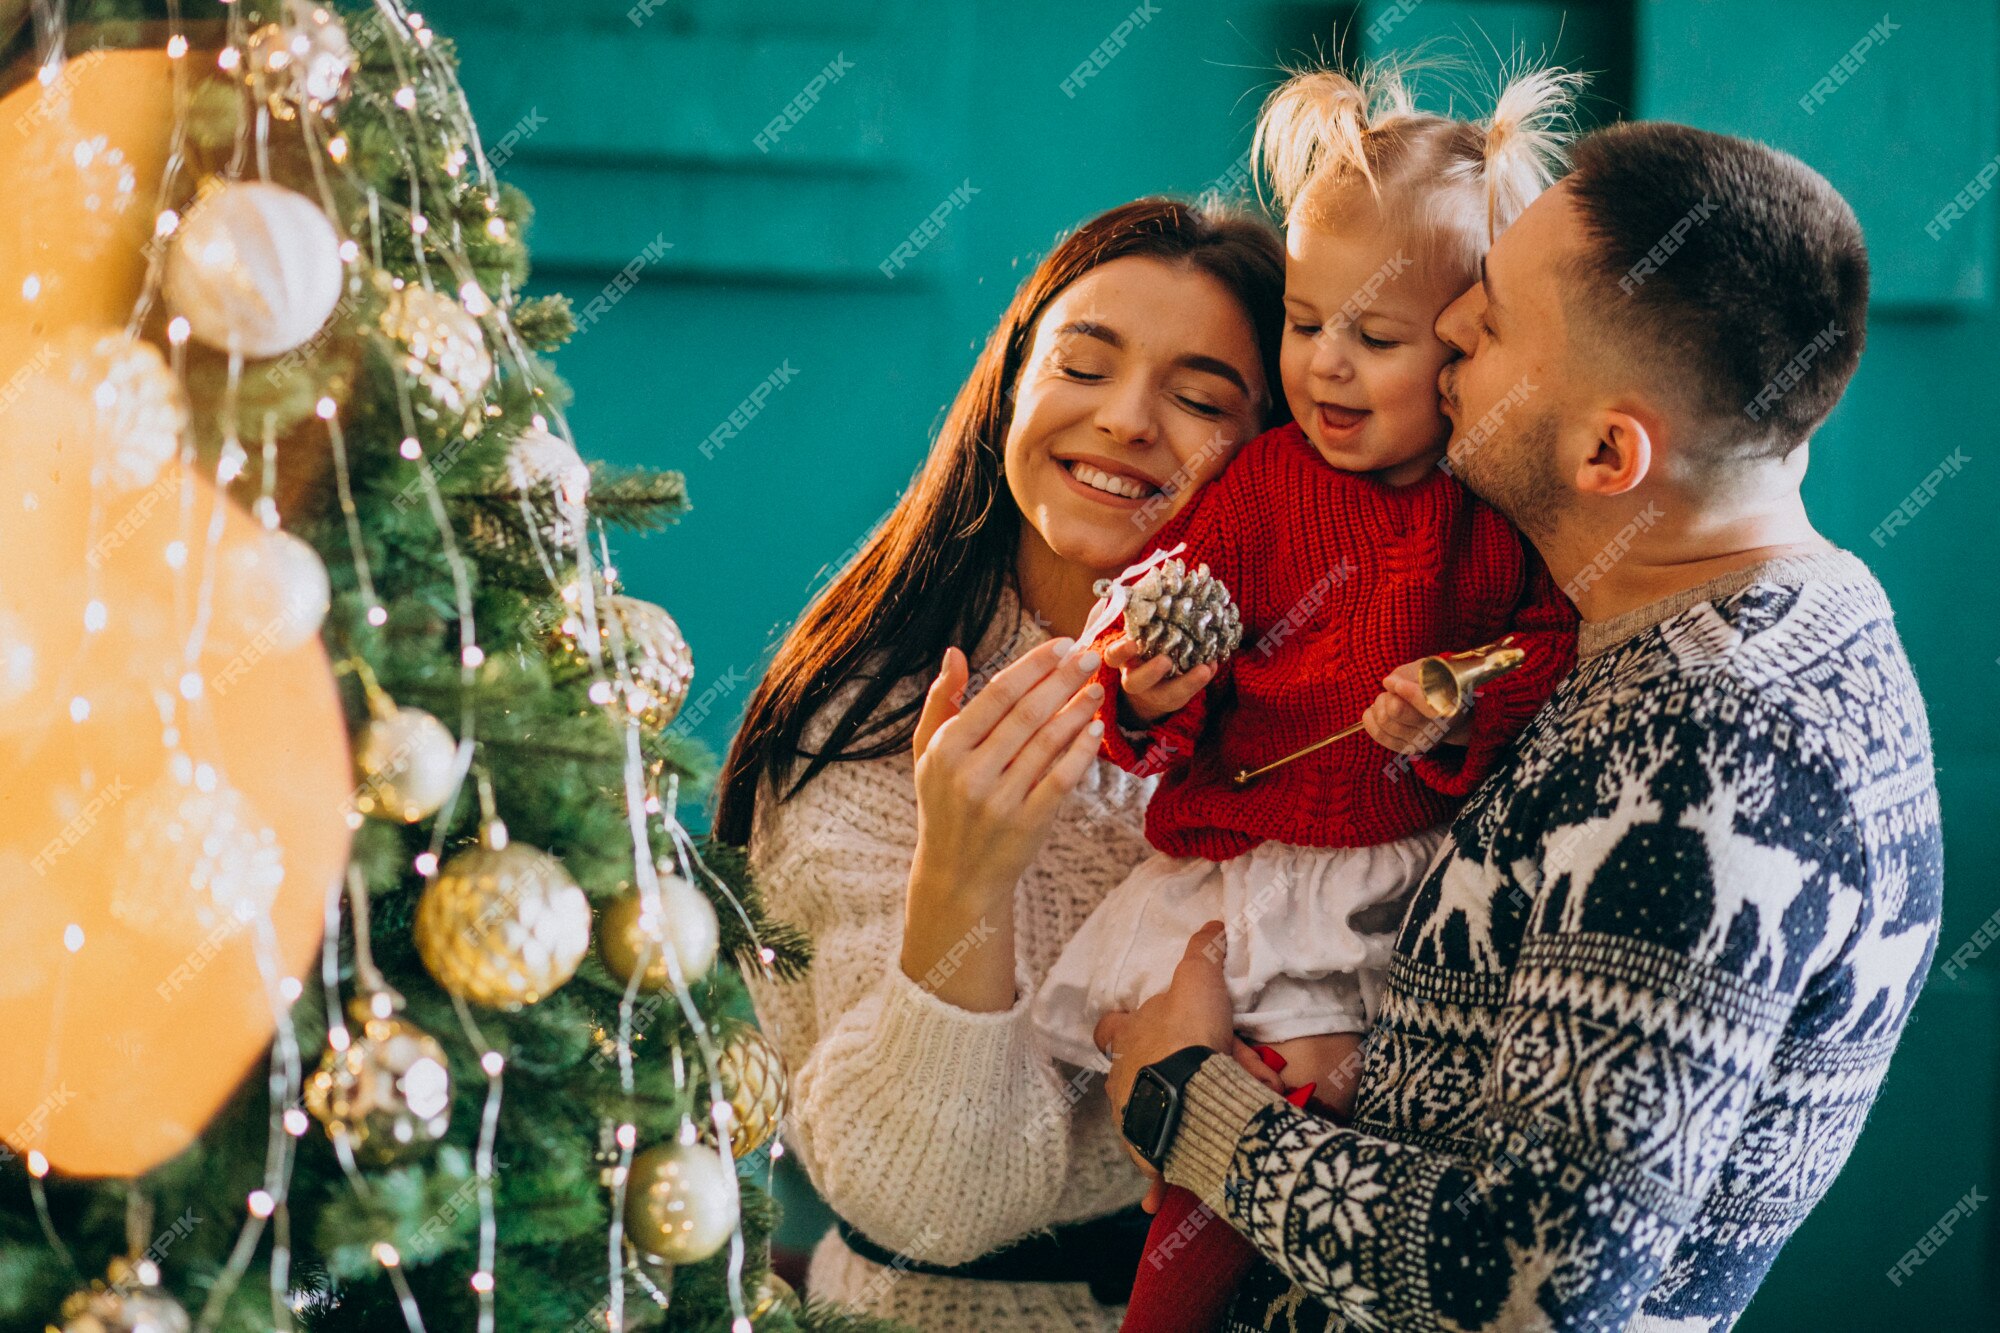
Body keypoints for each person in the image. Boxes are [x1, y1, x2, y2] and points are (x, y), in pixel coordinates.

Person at [1098, 120, 1941, 1333]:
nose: (1443, 329)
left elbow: (1528, 1291)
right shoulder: (1787, 621)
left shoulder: (1705, 758)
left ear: (1607, 452)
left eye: (1485, 320)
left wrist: (1183, 1100)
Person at [1027, 62, 1582, 1333]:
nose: (1324, 366)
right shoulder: (1268, 481)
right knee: (1205, 1168)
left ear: (1463, 342)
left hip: (1401, 886)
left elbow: (1545, 643)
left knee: (1336, 1146)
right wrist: (1149, 679)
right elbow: (1163, 600)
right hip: (1255, 865)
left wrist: (1457, 706)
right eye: (1304, 320)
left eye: (1375, 340)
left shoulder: (1489, 508)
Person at [713, 197, 1289, 1331]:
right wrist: (962, 880)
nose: (1127, 420)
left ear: (1274, 449)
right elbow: (926, 1207)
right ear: (1011, 386)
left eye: (1199, 399)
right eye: (1083, 363)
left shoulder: (1313, 708)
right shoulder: (866, 718)